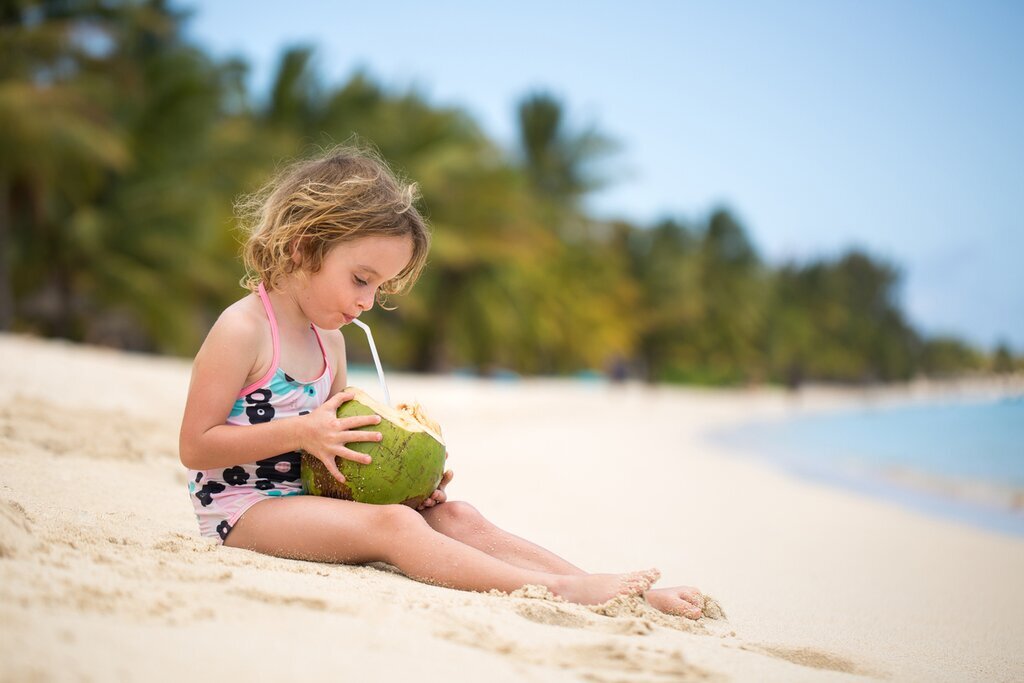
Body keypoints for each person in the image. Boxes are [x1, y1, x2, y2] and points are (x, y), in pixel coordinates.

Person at [178, 147, 705, 618]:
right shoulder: (244, 329)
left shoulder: (329, 342)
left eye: (380, 288)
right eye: (361, 279)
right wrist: (300, 434)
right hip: (245, 512)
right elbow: (195, 446)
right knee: (396, 530)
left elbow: (333, 456)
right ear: (303, 247)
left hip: (308, 501)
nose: (367, 301)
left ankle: (599, 584)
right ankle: (561, 591)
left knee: (457, 516)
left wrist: (405, 484)